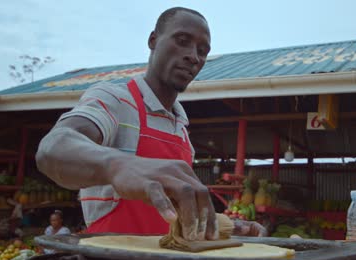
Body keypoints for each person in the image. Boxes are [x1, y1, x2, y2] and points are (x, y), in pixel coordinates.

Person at [36, 6, 266, 241]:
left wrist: (226, 226)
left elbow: (172, 213)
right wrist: (117, 166)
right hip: (110, 257)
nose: (193, 56)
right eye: (182, 40)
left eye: (202, 50)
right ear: (153, 40)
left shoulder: (182, 131)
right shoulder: (115, 100)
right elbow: (52, 148)